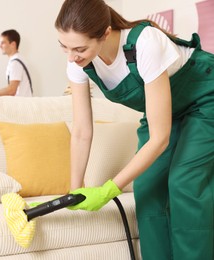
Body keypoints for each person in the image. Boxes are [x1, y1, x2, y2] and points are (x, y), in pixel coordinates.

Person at [55, 0, 213, 259]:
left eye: (80, 48)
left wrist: (108, 190)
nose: (72, 57)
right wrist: (75, 189)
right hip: (165, 111)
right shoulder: (78, 64)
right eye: (64, 46)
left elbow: (159, 138)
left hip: (205, 98)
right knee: (147, 186)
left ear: (105, 33)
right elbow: (82, 130)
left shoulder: (144, 43)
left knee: (185, 182)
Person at [0, 29, 33, 96]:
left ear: (13, 44)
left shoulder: (15, 63)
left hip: (21, 105)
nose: (0, 46)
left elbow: (12, 90)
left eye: (3, 43)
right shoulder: (18, 59)